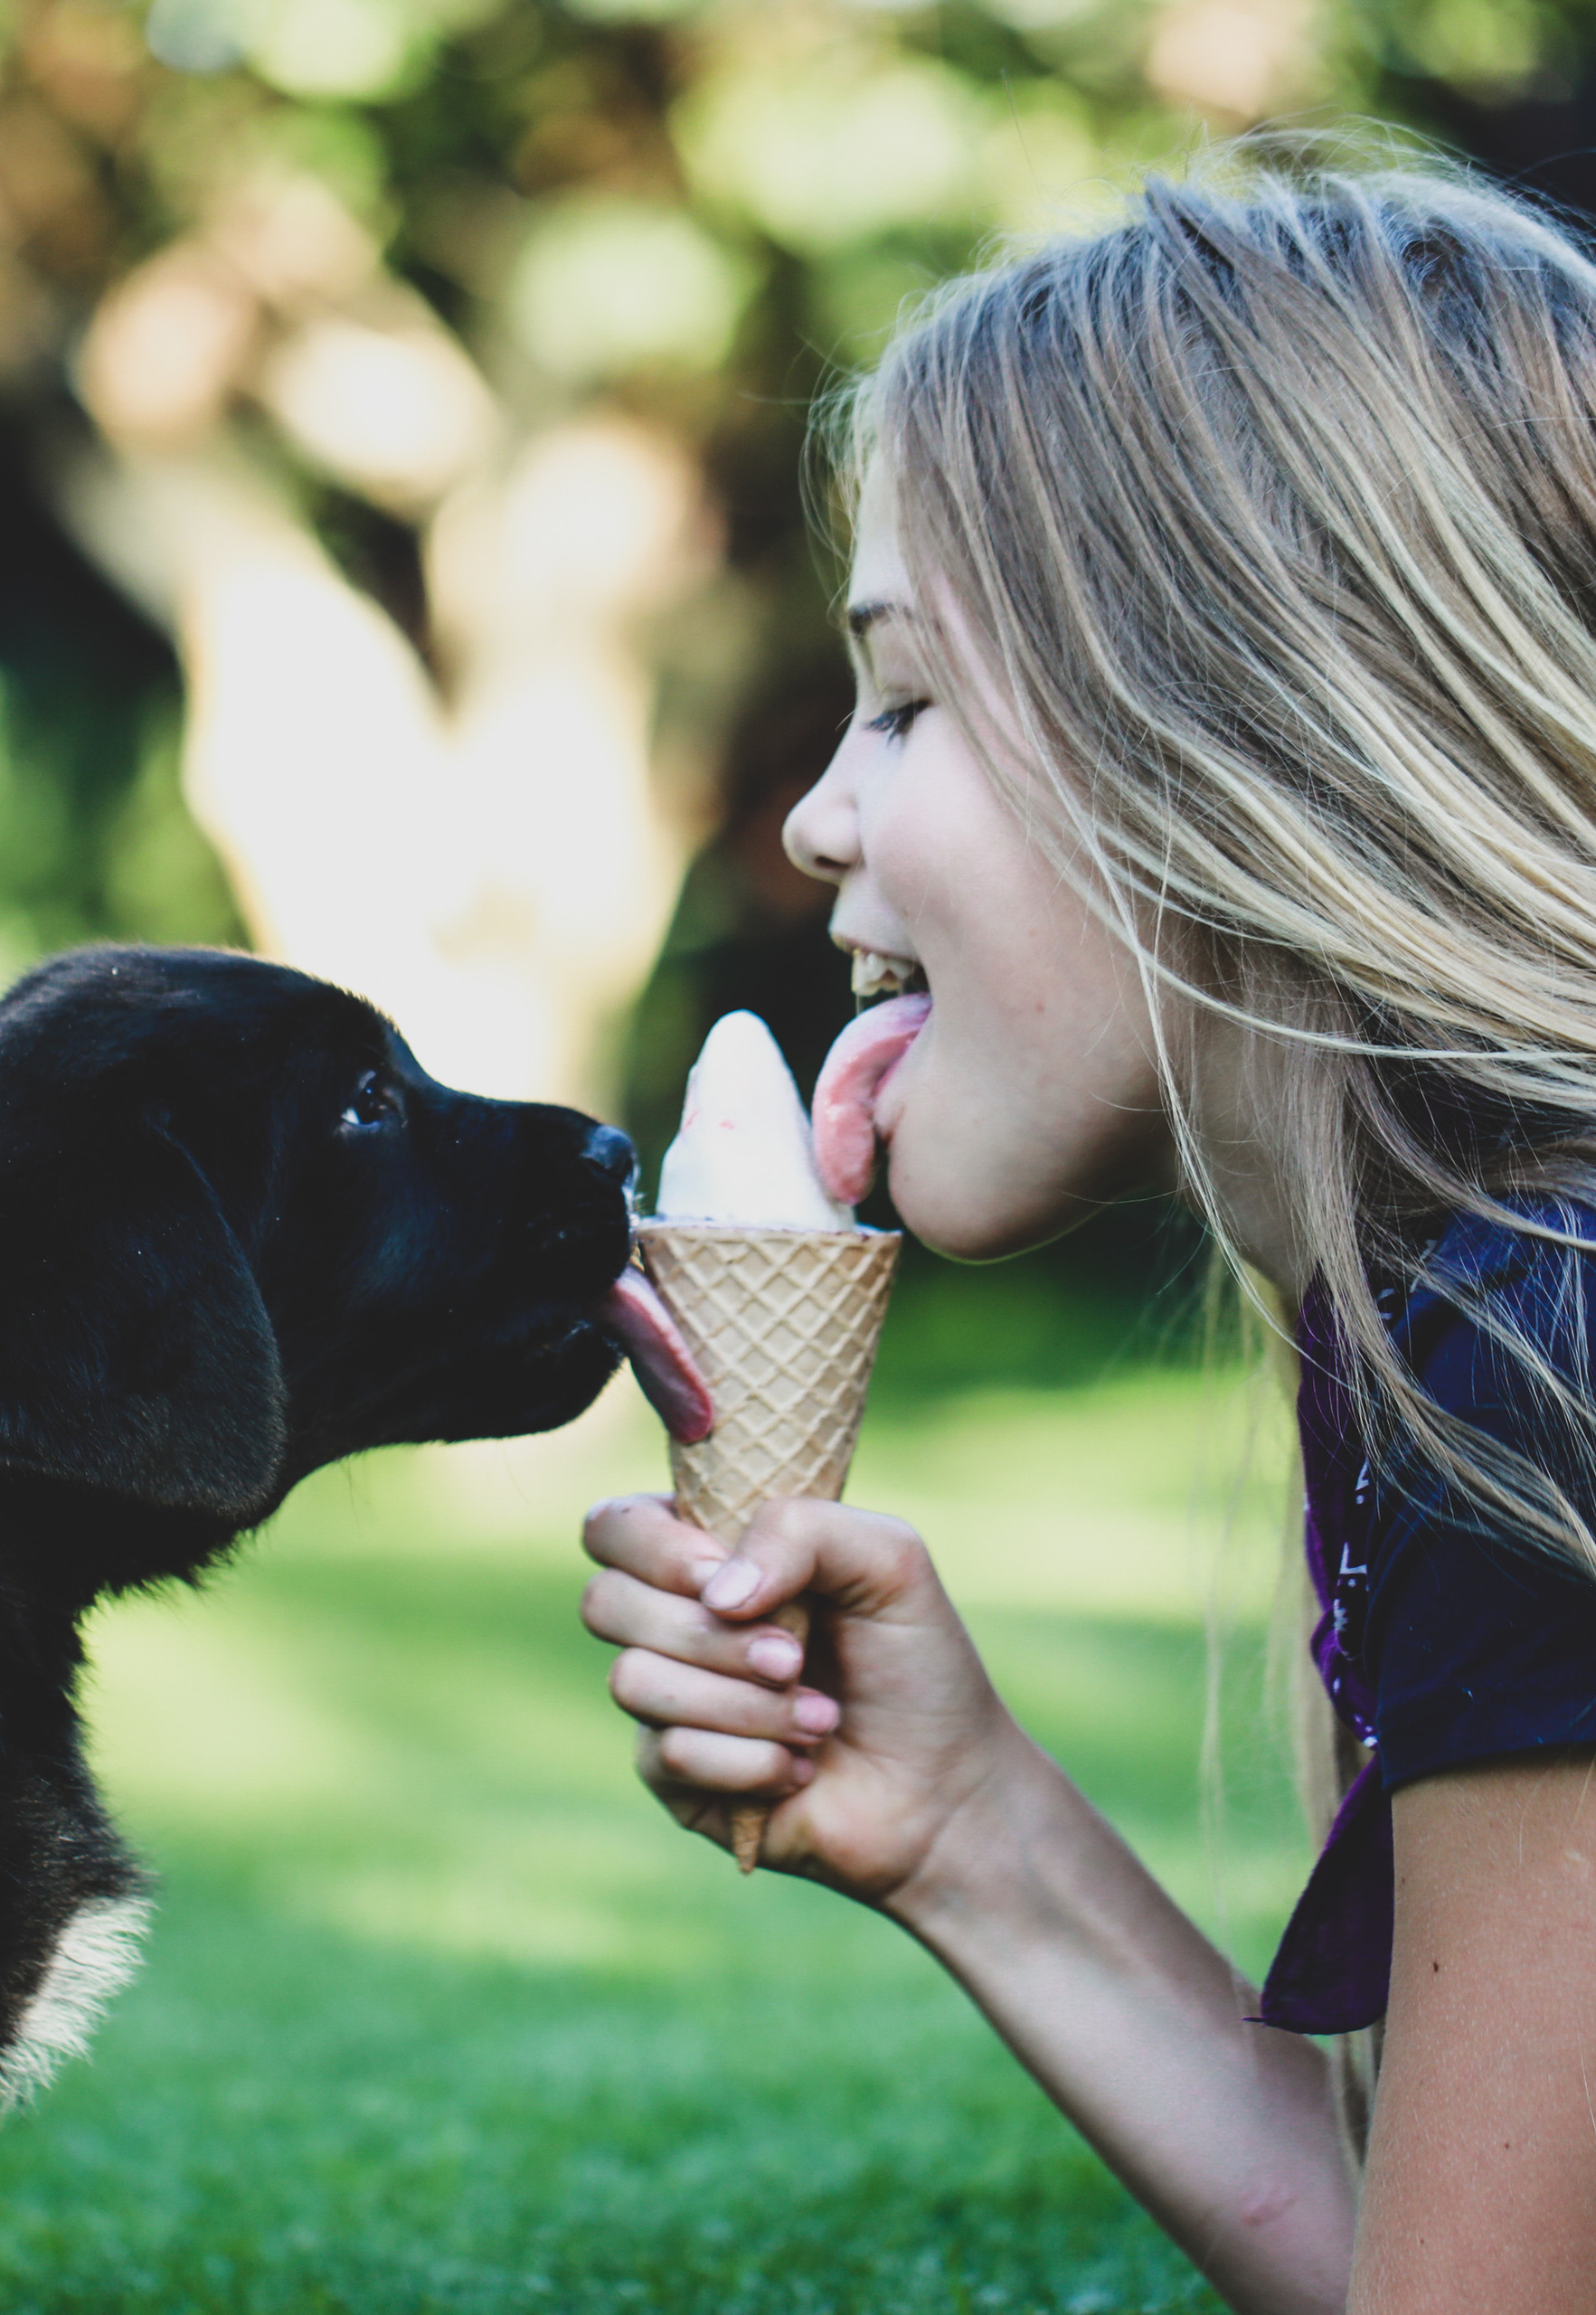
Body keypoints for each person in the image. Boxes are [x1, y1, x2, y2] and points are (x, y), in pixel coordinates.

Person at [580, 145, 1596, 2315]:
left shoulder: (1535, 1359)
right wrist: (970, 1827)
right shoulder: (1445, 1328)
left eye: (908, 699)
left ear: (1238, 731)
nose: (812, 815)